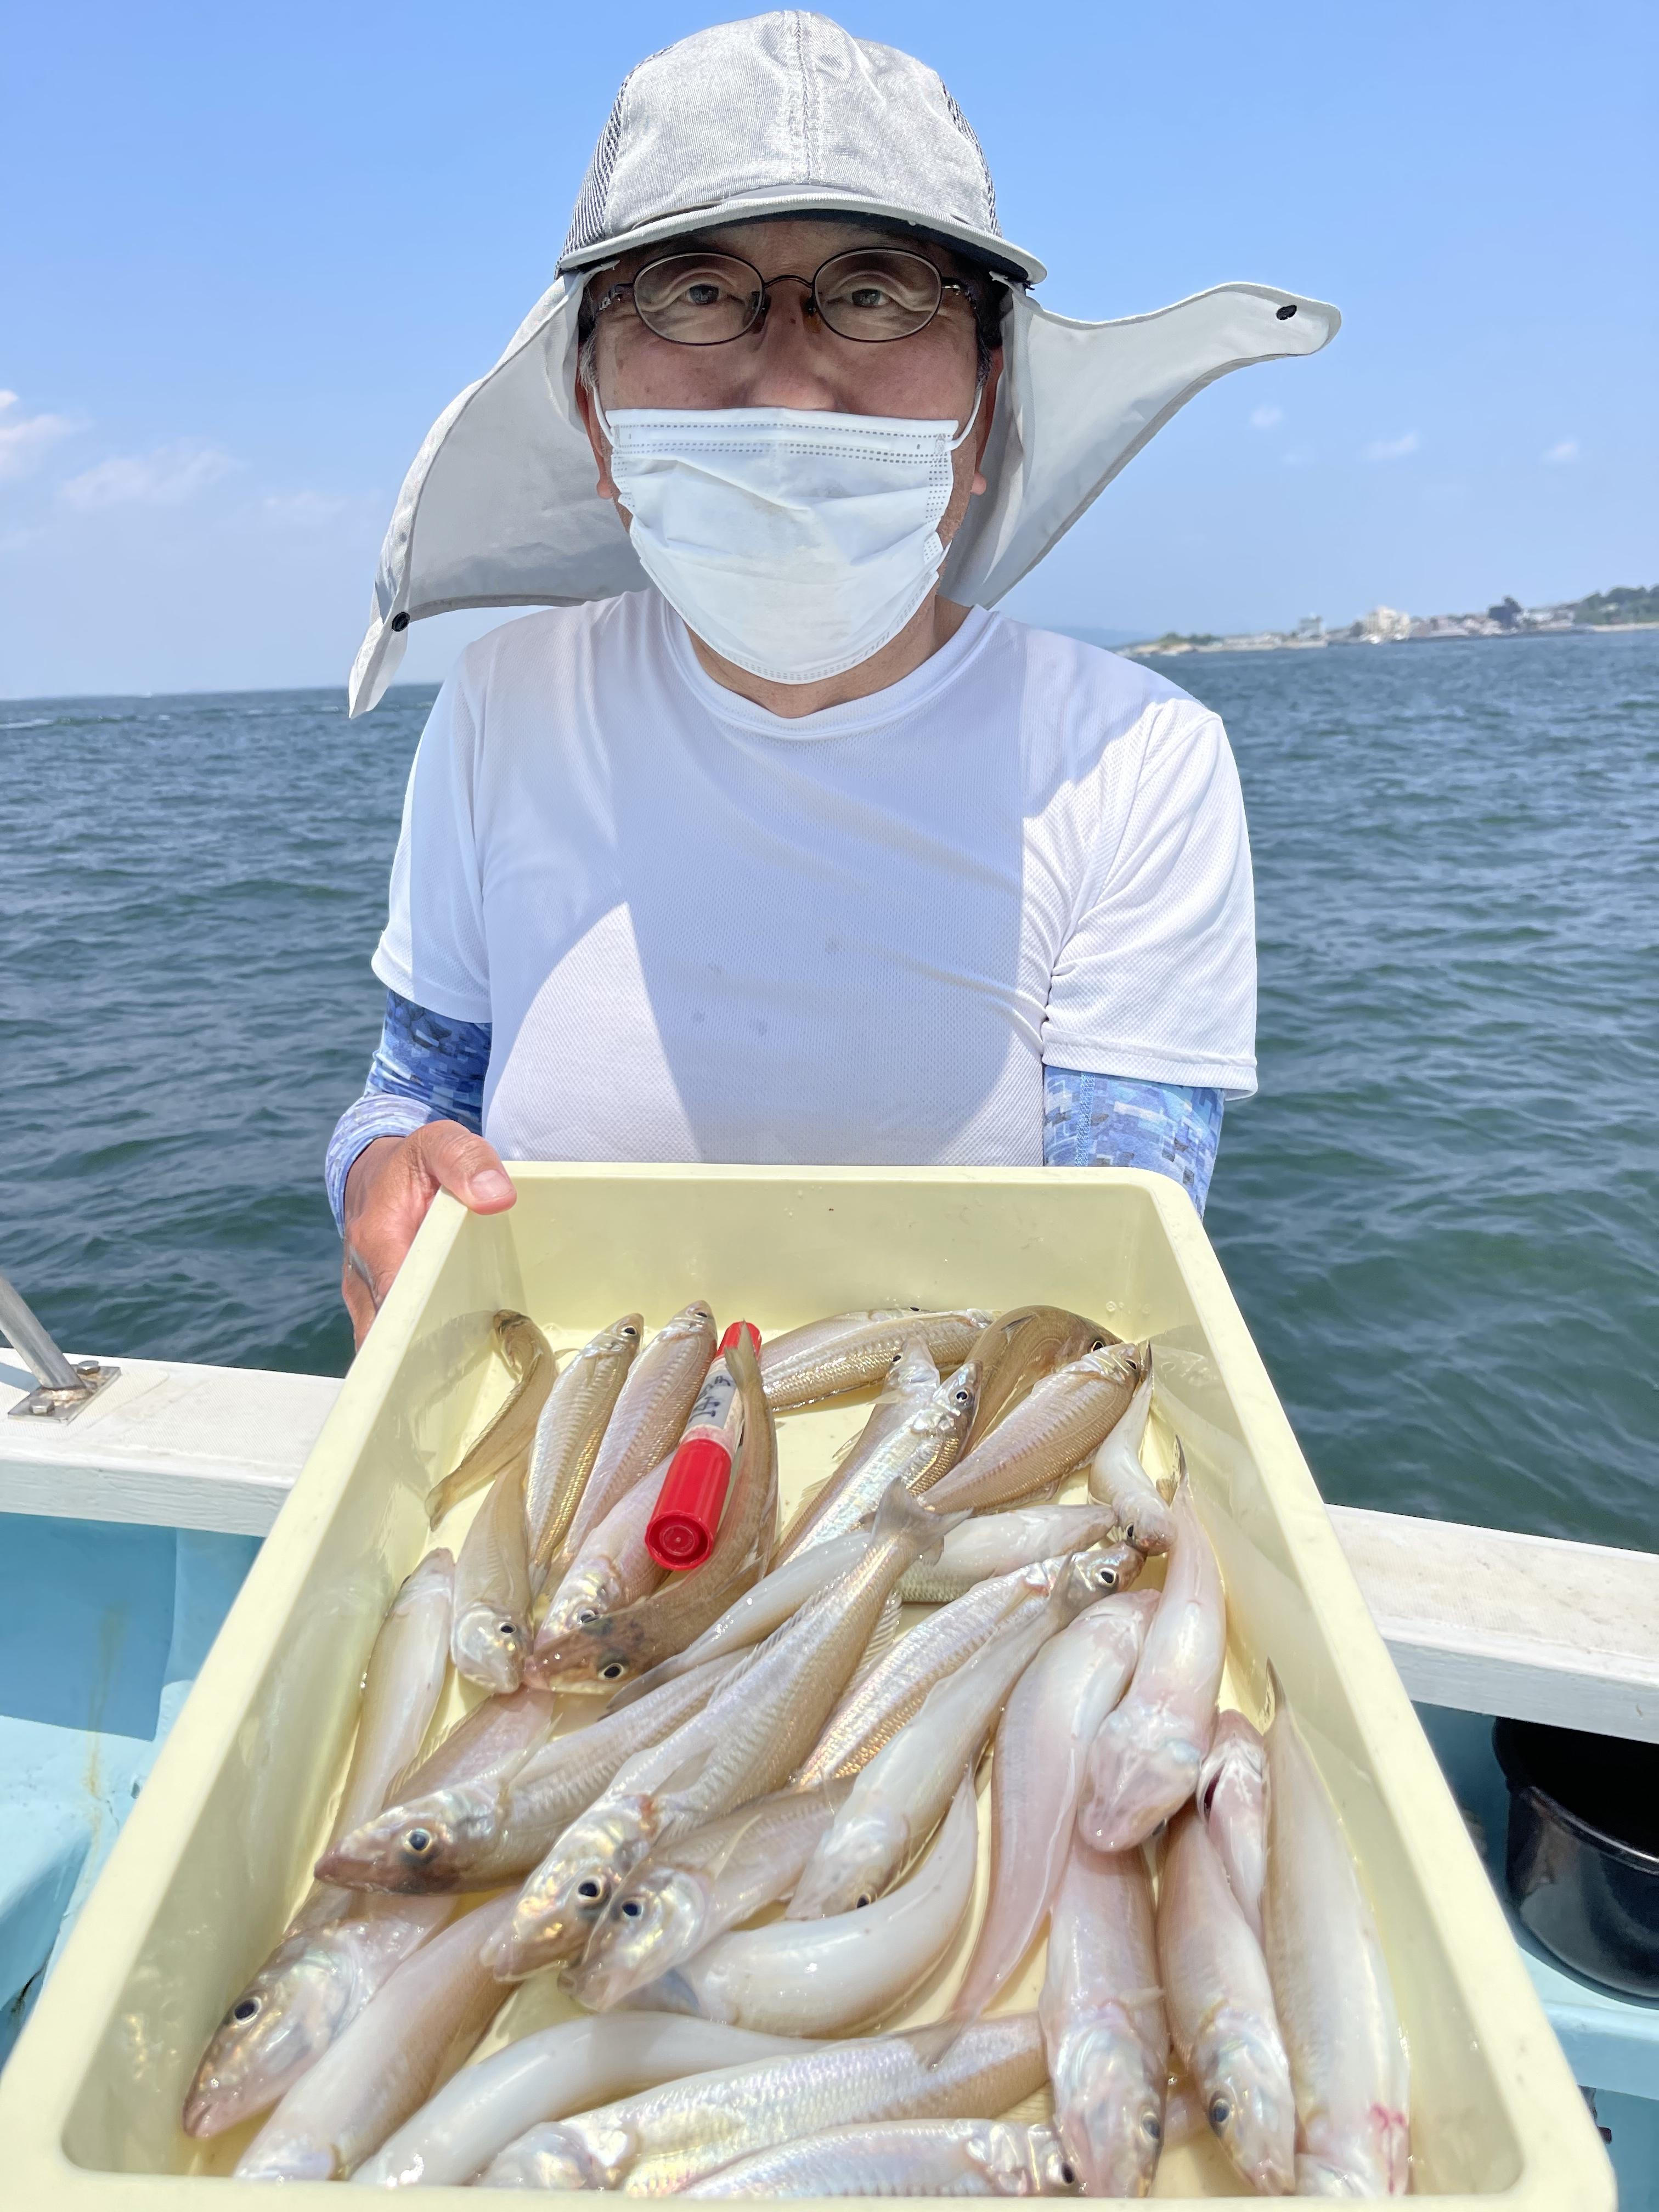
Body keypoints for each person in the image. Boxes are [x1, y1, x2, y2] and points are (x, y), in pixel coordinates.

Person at [327, 12, 1336, 1346]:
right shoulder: (505, 706)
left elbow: (1117, 1244)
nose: (793, 384)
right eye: (693, 290)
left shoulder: (1138, 757)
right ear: (592, 411)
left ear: (990, 404)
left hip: (950, 1490)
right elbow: (416, 1086)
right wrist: (376, 1179)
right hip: (550, 1444)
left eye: (877, 292)